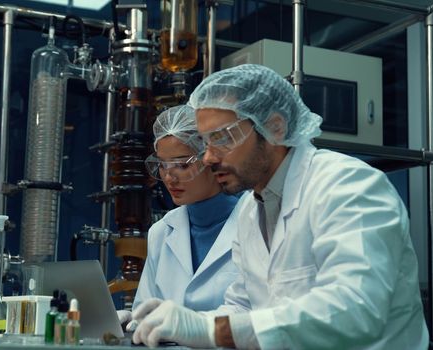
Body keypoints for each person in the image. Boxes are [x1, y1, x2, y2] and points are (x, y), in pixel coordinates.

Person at [130, 64, 429, 349]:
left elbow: (356, 309)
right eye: (206, 142)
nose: (208, 158)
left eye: (222, 138)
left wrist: (211, 330)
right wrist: (170, 324)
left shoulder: (348, 185)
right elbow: (242, 306)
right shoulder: (252, 210)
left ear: (274, 126)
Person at [117, 105, 240, 325]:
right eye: (162, 165)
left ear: (212, 158)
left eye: (182, 165)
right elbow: (146, 308)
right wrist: (132, 321)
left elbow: (257, 314)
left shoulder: (255, 222)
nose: (169, 178)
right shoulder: (161, 232)